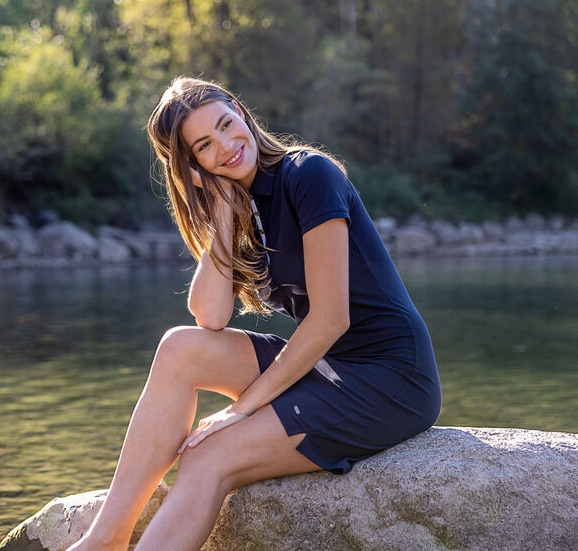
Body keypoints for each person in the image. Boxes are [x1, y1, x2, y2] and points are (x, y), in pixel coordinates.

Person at [67, 76, 441, 550]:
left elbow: (331, 319)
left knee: (207, 455)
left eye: (226, 125)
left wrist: (240, 410)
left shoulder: (309, 174)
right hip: (329, 366)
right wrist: (224, 215)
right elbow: (209, 317)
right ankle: (106, 538)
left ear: (241, 112)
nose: (226, 146)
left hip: (390, 378)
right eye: (204, 145)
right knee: (179, 349)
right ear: (191, 165)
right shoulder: (240, 203)